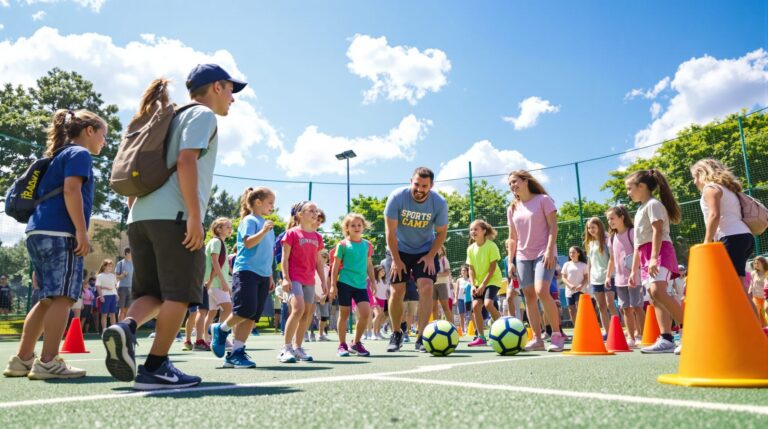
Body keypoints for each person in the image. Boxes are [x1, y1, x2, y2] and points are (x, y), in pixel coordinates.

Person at [102, 65, 246, 390]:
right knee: (179, 295)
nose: (233, 98)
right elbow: (186, 160)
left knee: (153, 293)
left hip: (140, 217)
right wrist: (195, 216)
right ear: (217, 87)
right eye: (230, 90)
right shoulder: (202, 115)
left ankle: (125, 327)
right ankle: (155, 367)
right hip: (175, 217)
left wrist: (136, 213)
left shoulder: (170, 116)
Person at [4, 108, 106, 379]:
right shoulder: (79, 153)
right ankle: (49, 361)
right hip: (61, 233)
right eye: (103, 135)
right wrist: (81, 231)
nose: (105, 142)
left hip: (37, 231)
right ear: (89, 131)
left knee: (47, 298)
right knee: (63, 297)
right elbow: (72, 190)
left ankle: (22, 359)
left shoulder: (55, 157)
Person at [384, 167, 449, 353]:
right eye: (417, 184)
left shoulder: (439, 203)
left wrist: (430, 255)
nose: (420, 189)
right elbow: (390, 232)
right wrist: (396, 259)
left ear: (431, 185)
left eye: (424, 186)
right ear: (411, 181)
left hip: (425, 250)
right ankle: (397, 333)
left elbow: (441, 233)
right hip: (398, 249)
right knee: (397, 290)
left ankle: (422, 337)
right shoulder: (397, 197)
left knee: (427, 287)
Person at [210, 187, 275, 368]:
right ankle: (221, 329)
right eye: (270, 202)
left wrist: (270, 275)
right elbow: (248, 243)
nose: (272, 206)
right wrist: (263, 231)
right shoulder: (250, 220)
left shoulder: (267, 225)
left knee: (252, 316)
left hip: (263, 274)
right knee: (245, 310)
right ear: (258, 202)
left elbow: (268, 253)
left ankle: (236, 353)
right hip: (247, 271)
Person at [625, 169, 685, 354]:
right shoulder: (640, 209)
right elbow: (637, 245)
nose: (628, 192)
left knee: (658, 290)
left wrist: (653, 258)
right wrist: (633, 270)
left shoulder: (653, 204)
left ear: (641, 186)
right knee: (654, 296)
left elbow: (658, 231)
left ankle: (690, 331)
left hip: (660, 251)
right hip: (646, 254)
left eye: (629, 188)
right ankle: (666, 339)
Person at [506, 170, 565, 352]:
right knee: (529, 296)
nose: (512, 185)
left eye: (515, 181)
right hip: (522, 256)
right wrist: (510, 261)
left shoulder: (543, 200)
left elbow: (553, 227)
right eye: (510, 183)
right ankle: (537, 339)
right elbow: (512, 237)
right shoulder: (512, 208)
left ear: (525, 181)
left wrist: (549, 250)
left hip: (543, 253)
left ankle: (556, 335)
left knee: (541, 291)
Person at [279, 201, 327, 363]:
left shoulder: (317, 237)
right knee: (298, 309)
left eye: (316, 211)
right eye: (311, 210)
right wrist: (285, 277)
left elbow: (319, 262)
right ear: (300, 214)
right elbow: (284, 258)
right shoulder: (292, 233)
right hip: (294, 277)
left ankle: (298, 347)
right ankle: (286, 348)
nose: (315, 213)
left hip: (309, 280)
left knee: (307, 314)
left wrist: (324, 282)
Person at [330, 213, 377, 356]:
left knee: (365, 312)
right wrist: (333, 285)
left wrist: (373, 282)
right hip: (344, 283)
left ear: (363, 227)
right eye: (353, 225)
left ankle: (356, 343)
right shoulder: (342, 245)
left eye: (359, 225)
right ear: (347, 228)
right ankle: (342, 345)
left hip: (361, 285)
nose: (356, 227)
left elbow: (369, 265)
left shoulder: (367, 245)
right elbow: (335, 266)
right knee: (344, 314)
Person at [605, 206, 644, 346]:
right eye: (608, 219)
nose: (610, 221)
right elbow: (611, 259)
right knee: (625, 308)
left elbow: (638, 252)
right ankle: (631, 337)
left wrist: (634, 272)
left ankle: (642, 335)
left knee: (637, 306)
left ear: (622, 217)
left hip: (634, 277)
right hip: (620, 279)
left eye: (612, 218)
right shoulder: (611, 238)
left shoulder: (632, 233)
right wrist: (608, 276)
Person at [466, 220, 503, 346]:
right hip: (478, 282)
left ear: (484, 231)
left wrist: (483, 285)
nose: (473, 232)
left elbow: (492, 268)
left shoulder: (491, 246)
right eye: (471, 230)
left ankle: (504, 328)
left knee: (488, 304)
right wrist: (472, 285)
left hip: (492, 279)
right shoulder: (470, 249)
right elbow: (471, 269)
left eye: (476, 229)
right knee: (476, 306)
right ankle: (481, 337)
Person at [201, 217, 234, 349]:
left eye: (230, 227)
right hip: (216, 283)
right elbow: (216, 263)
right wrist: (223, 282)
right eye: (227, 227)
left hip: (212, 283)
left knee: (212, 312)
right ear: (218, 229)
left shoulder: (218, 242)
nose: (230, 229)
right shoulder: (216, 242)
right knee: (228, 308)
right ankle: (220, 336)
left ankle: (206, 338)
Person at [584, 217, 618, 333]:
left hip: (609, 277)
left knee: (610, 304)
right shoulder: (590, 243)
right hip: (595, 279)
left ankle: (617, 331)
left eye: (593, 227)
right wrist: (589, 281)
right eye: (589, 228)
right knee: (601, 306)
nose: (591, 230)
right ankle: (608, 332)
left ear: (599, 226)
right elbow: (589, 264)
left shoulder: (607, 240)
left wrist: (609, 275)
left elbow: (612, 259)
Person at [561, 246, 588, 328]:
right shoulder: (566, 264)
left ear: (578, 253)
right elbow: (563, 278)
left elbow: (586, 277)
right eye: (570, 253)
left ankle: (583, 326)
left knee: (579, 307)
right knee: (571, 310)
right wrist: (570, 285)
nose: (571, 254)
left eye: (573, 252)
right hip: (569, 291)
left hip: (581, 290)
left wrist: (581, 285)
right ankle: (577, 328)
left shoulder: (583, 265)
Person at [96, 260, 118, 335]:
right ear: (104, 266)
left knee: (113, 314)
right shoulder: (100, 276)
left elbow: (115, 286)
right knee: (104, 314)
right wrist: (101, 296)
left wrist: (117, 294)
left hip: (113, 296)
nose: (110, 267)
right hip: (105, 296)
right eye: (109, 266)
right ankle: (104, 330)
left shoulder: (113, 276)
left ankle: (114, 330)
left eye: (111, 266)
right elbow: (98, 287)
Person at [432, 246, 453, 322]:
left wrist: (437, 275)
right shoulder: (431, 259)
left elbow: (447, 272)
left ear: (442, 251)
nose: (437, 250)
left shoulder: (444, 259)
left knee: (445, 306)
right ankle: (435, 325)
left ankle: (451, 325)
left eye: (439, 249)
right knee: (434, 308)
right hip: (432, 284)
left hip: (442, 284)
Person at [115, 248, 134, 321]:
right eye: (131, 253)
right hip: (122, 288)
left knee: (128, 310)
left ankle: (125, 326)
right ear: (127, 253)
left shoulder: (134, 263)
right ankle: (120, 325)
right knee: (122, 310)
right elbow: (116, 277)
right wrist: (122, 275)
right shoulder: (120, 263)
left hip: (131, 288)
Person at [372, 266, 389, 339]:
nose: (383, 272)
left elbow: (386, 292)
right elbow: (372, 291)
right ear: (377, 272)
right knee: (377, 315)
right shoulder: (374, 281)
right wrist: (374, 300)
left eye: (384, 271)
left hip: (383, 300)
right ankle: (373, 334)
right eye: (382, 271)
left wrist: (388, 299)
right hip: (376, 299)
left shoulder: (385, 281)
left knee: (380, 316)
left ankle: (378, 333)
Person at [749, 257, 767, 328]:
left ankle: (765, 328)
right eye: (755, 263)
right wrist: (749, 291)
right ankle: (759, 329)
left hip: (764, 298)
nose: (756, 265)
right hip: (755, 297)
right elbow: (752, 283)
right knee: (756, 314)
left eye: (758, 263)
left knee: (765, 315)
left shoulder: (766, 273)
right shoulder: (753, 273)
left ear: (763, 263)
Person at [454, 265, 471, 331]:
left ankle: (468, 328)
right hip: (460, 299)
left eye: (464, 270)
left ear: (467, 271)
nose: (463, 272)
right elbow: (457, 290)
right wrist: (456, 298)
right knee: (461, 314)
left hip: (468, 299)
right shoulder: (459, 280)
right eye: (462, 270)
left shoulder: (470, 279)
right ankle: (462, 329)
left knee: (468, 314)